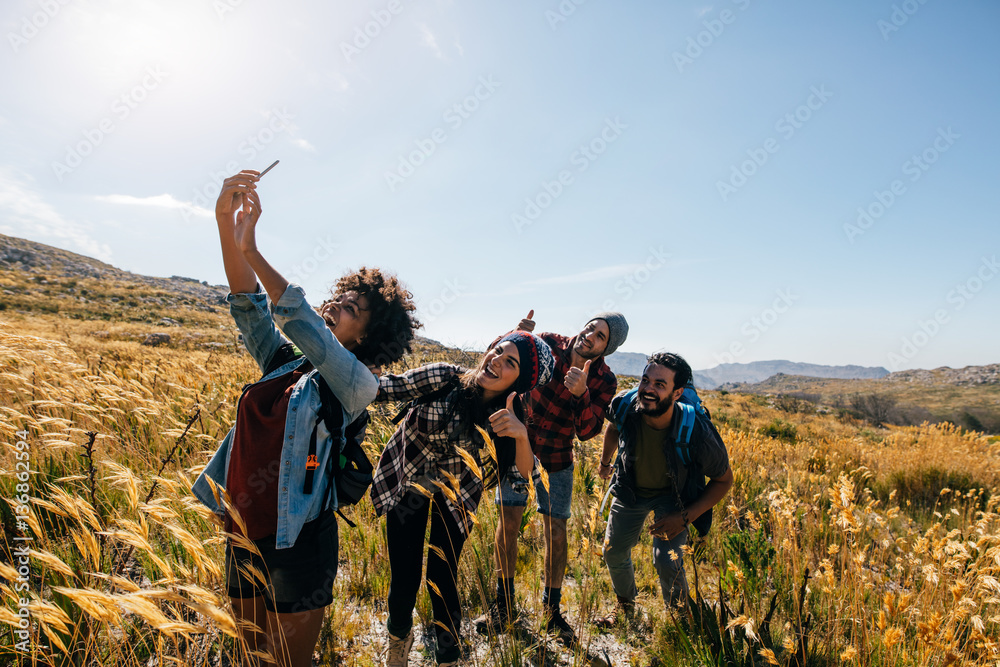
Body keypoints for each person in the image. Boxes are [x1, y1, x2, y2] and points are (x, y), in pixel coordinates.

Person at [191, 170, 419, 667]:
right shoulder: (288, 364)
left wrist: (253, 249)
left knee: (290, 661)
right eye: (338, 297)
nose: (336, 303)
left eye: (352, 308)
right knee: (251, 655)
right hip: (243, 526)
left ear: (367, 336)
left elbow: (298, 317)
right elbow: (251, 309)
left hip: (299, 540)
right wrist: (225, 226)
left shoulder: (358, 383)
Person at [371, 331, 556, 667]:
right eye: (498, 350)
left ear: (521, 381)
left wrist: (520, 434)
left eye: (510, 361)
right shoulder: (444, 377)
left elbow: (525, 475)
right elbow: (386, 389)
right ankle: (398, 639)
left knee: (441, 576)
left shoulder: (507, 416)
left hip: (457, 498)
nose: (497, 360)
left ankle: (449, 657)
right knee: (405, 575)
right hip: (408, 485)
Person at [480, 310, 626, 639]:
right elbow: (495, 365)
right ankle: (503, 607)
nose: (590, 335)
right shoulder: (545, 343)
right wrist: (515, 333)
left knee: (555, 533)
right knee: (508, 524)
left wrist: (581, 395)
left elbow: (589, 431)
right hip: (517, 447)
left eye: (600, 336)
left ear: (608, 347)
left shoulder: (605, 381)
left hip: (557, 459)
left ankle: (552, 612)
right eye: (591, 326)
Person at [596, 352, 733, 625]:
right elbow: (613, 427)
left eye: (660, 384)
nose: (648, 389)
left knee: (667, 561)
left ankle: (680, 621)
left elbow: (724, 479)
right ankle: (625, 606)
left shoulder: (695, 428)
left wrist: (685, 517)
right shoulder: (625, 405)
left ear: (678, 392)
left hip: (675, 497)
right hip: (630, 489)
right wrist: (604, 462)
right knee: (613, 550)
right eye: (645, 380)